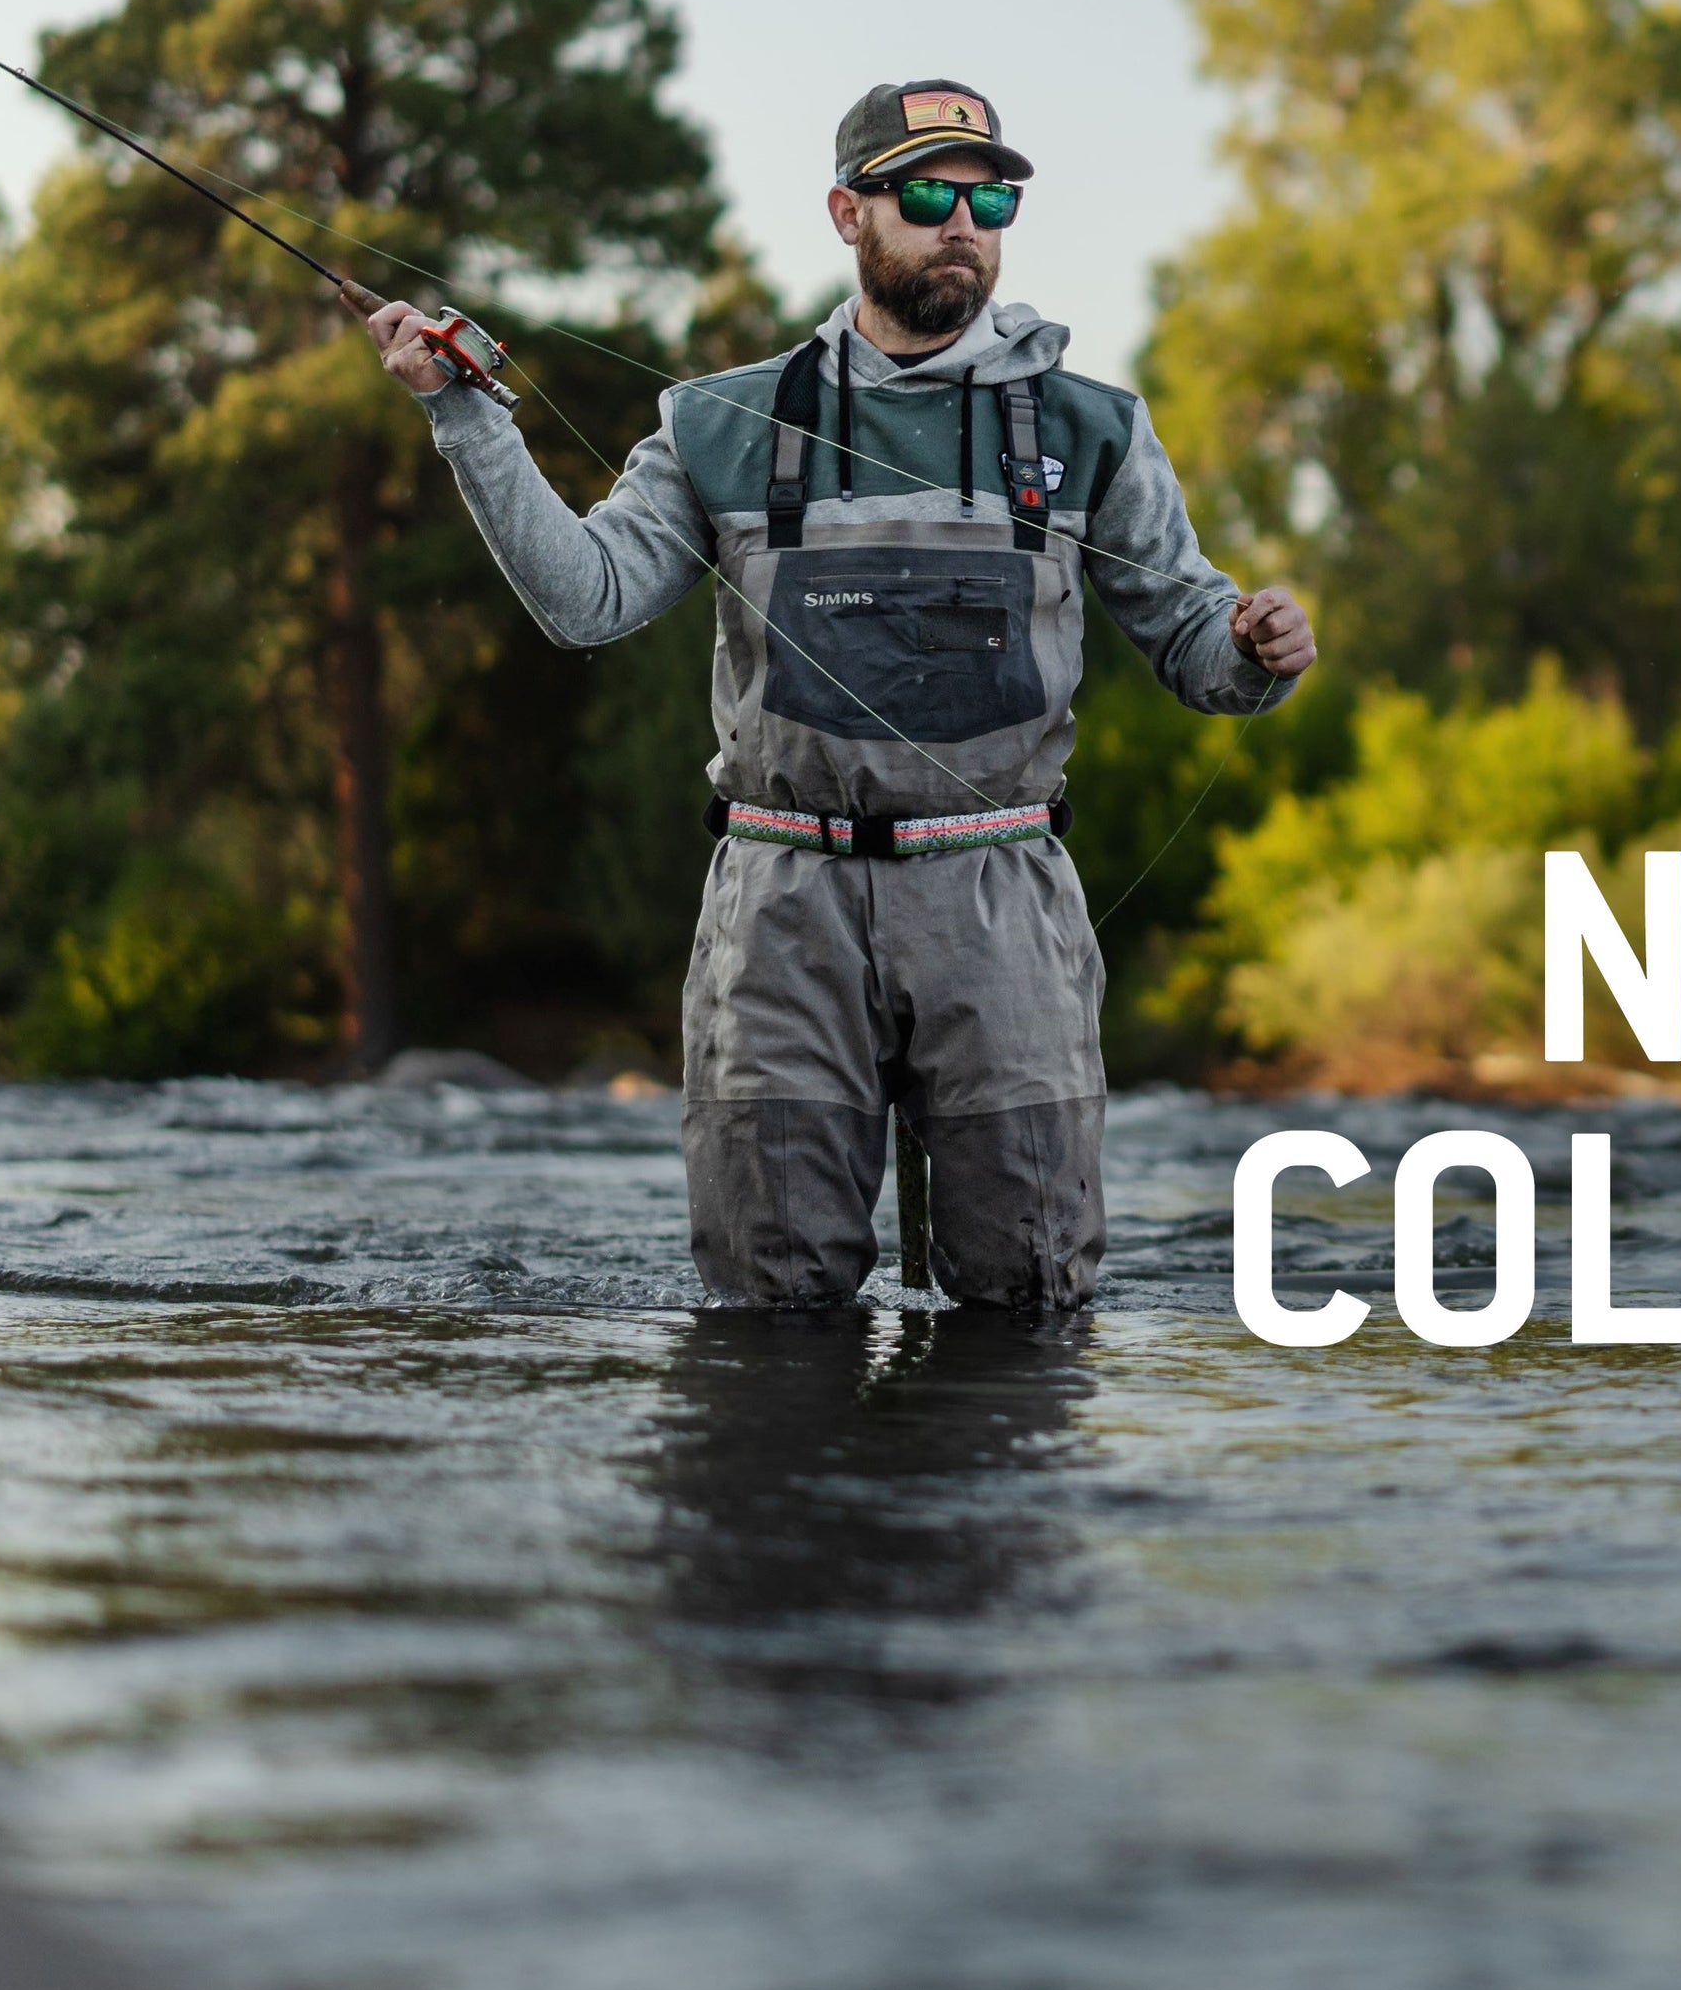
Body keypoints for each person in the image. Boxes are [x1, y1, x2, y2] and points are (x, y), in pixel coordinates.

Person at [363, 78, 1313, 1312]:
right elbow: (584, 599)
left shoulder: (1095, 428)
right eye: (927, 192)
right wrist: (465, 420)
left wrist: (1255, 648)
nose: (962, 219)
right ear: (846, 213)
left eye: (989, 194)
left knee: (1028, 1304)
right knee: (770, 1309)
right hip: (778, 909)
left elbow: (1197, 643)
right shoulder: (717, 421)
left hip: (1003, 902)